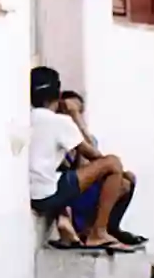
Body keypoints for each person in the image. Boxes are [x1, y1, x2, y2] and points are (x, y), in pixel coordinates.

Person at [28, 66, 133, 252]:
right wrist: (75, 116)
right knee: (113, 163)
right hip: (48, 193)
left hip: (35, 191)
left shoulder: (27, 118)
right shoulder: (59, 122)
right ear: (58, 95)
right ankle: (98, 233)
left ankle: (85, 228)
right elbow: (94, 156)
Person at [58, 90, 143, 247]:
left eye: (78, 112)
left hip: (86, 188)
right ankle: (91, 231)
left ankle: (111, 227)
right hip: (71, 192)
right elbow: (81, 168)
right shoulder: (59, 134)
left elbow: (97, 161)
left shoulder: (86, 138)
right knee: (121, 183)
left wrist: (80, 126)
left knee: (128, 178)